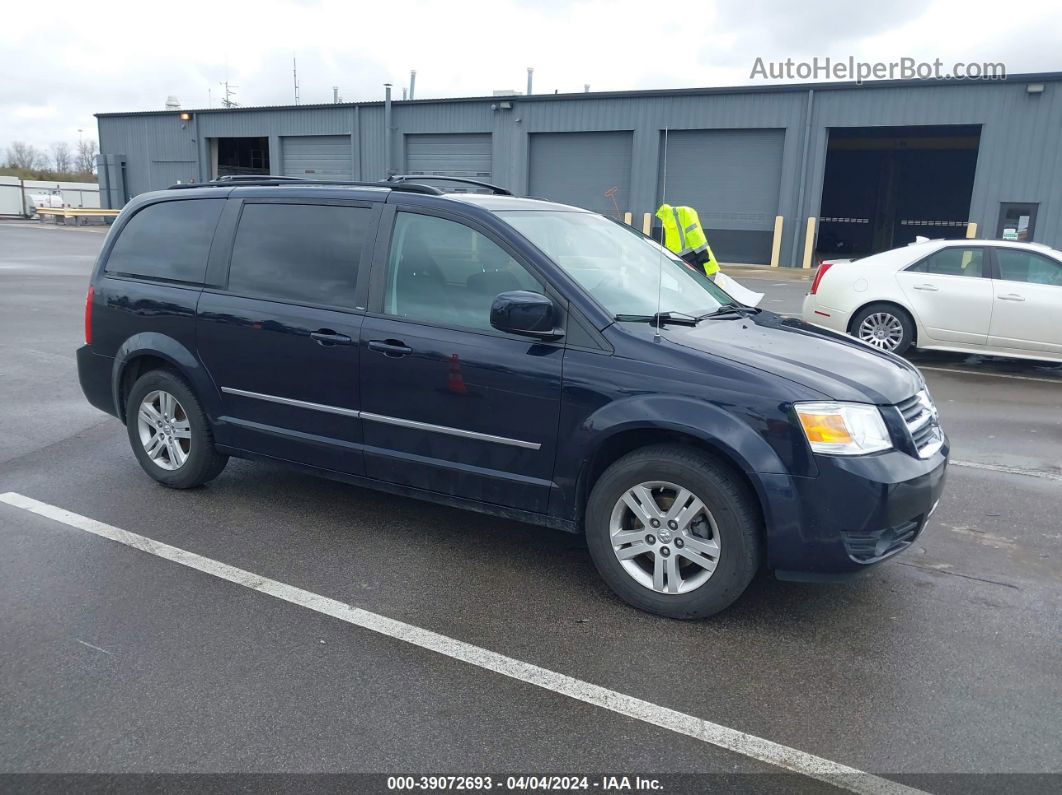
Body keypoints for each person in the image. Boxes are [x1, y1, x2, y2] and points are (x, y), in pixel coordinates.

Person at [655, 203, 720, 279]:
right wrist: (703, 255)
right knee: (698, 284)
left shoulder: (668, 218)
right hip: (695, 257)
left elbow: (670, 243)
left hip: (679, 259)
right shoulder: (686, 212)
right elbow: (694, 234)